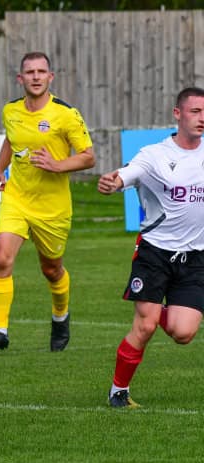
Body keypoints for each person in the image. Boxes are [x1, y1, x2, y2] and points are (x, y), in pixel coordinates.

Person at [0, 52, 95, 354]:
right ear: (21, 78)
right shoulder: (11, 111)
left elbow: (88, 157)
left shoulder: (66, 115)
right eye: (30, 72)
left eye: (41, 71)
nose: (36, 77)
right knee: (2, 258)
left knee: (51, 270)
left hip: (52, 208)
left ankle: (61, 315)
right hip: (16, 198)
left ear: (50, 77)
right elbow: (11, 139)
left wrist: (57, 165)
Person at [97, 86, 204, 409]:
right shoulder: (154, 155)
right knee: (144, 326)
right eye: (195, 111)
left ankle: (155, 310)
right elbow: (127, 174)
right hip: (154, 253)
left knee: (183, 333)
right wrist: (114, 182)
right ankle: (118, 391)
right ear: (177, 114)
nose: (201, 118)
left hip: (195, 257)